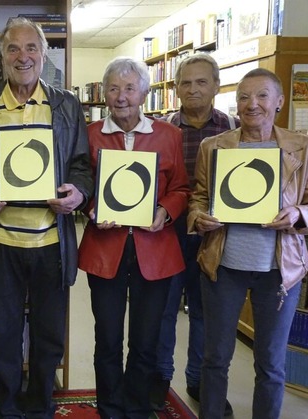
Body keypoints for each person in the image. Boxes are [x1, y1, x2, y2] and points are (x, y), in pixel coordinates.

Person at [0, 17, 93, 418]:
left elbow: (82, 165)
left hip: (51, 240)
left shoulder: (65, 104)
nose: (23, 56)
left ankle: (41, 403)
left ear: (44, 54)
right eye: (13, 49)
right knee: (5, 330)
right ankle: (9, 404)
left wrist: (77, 193)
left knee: (50, 333)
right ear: (1, 58)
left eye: (31, 48)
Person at [188, 68, 307, 419]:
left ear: (280, 102)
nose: (251, 104)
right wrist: (199, 218)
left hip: (278, 272)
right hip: (223, 266)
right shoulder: (216, 147)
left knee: (270, 363)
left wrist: (298, 213)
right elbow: (198, 199)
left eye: (262, 96)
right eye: (243, 97)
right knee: (215, 359)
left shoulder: (301, 148)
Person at [77, 57, 189, 419]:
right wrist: (92, 208)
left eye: (129, 88)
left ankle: (138, 407)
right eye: (113, 88)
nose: (121, 96)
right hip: (104, 249)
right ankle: (110, 408)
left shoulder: (169, 135)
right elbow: (81, 185)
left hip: (154, 250)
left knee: (145, 339)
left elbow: (182, 189)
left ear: (144, 92)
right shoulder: (90, 134)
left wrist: (165, 212)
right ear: (104, 94)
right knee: (107, 337)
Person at [151, 54, 237, 416]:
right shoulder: (163, 129)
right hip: (169, 234)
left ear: (217, 86)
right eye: (185, 82)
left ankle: (199, 380)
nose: (193, 89)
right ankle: (159, 380)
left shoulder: (234, 130)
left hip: (212, 238)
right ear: (175, 89)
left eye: (202, 82)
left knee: (205, 313)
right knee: (165, 310)